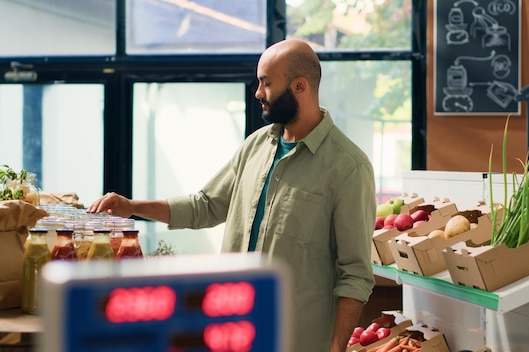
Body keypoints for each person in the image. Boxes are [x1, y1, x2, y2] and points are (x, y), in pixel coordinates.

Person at [87, 39, 376, 352]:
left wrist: (336, 349)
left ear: (299, 85)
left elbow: (355, 275)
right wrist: (131, 206)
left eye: (266, 83)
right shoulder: (255, 146)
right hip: (232, 331)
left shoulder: (349, 168)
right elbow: (206, 206)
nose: (258, 93)